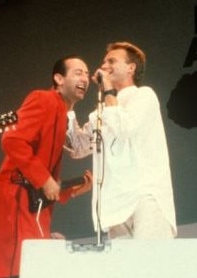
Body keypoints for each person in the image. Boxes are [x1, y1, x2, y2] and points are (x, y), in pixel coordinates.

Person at [0, 55, 93, 278]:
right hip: (16, 199)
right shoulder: (42, 99)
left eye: (86, 74)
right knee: (22, 273)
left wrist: (71, 191)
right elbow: (11, 140)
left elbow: (47, 178)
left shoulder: (62, 113)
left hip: (31, 202)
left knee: (32, 275)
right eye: (77, 72)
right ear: (58, 78)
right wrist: (44, 180)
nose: (85, 78)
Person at [68, 41, 176, 240]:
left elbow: (124, 128)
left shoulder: (144, 96)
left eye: (111, 61)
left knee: (151, 268)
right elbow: (78, 148)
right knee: (125, 270)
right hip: (115, 205)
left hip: (146, 198)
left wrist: (108, 89)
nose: (104, 66)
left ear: (131, 68)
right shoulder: (100, 112)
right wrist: (69, 104)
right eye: (104, 62)